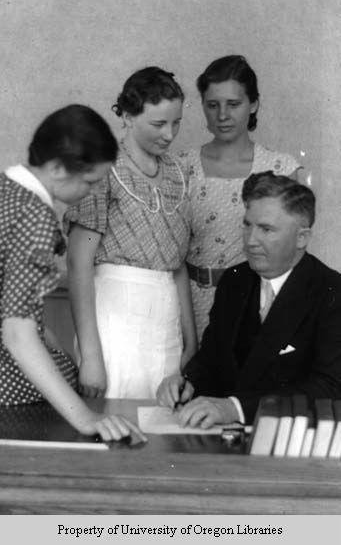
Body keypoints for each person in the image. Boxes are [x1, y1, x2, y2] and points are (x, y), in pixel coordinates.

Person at [0, 104, 146, 443]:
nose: (93, 193)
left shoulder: (6, 191)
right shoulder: (34, 215)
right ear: (57, 168)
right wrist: (85, 418)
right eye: (91, 182)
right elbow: (17, 333)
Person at [157, 172, 341, 426]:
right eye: (247, 225)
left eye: (266, 229)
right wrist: (188, 383)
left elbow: (330, 388)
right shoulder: (235, 280)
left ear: (302, 238)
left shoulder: (332, 291)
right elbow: (212, 357)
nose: (250, 240)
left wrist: (236, 409)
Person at [65, 67, 196, 400]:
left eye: (176, 122)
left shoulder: (178, 173)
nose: (169, 134)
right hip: (115, 324)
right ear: (126, 116)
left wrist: (190, 340)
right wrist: (92, 358)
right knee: (117, 426)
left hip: (166, 324)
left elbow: (177, 265)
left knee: (163, 427)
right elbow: (79, 265)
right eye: (158, 124)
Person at [178, 55, 300, 342]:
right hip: (188, 305)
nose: (222, 115)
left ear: (253, 104)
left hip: (253, 303)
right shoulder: (180, 166)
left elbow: (290, 254)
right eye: (212, 105)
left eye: (233, 104)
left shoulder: (280, 168)